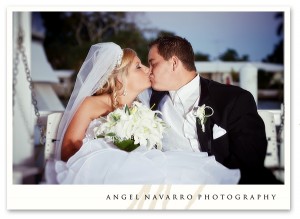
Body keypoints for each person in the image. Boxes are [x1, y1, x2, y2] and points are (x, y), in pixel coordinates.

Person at [45, 42, 240, 184]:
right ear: (120, 79)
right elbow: (68, 148)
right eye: (139, 66)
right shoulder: (91, 104)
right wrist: (109, 161)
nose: (148, 70)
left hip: (139, 165)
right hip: (97, 168)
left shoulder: (142, 106)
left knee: (189, 174)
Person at [147, 35, 282, 184]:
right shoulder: (152, 99)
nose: (149, 71)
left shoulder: (235, 99)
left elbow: (249, 161)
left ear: (173, 63)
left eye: (153, 64)